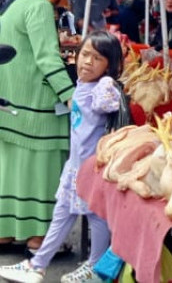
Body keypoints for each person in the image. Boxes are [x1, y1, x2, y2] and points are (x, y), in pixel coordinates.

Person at [0, 31, 122, 283]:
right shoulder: (82, 85)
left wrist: (109, 84)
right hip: (75, 166)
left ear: (109, 65)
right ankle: (38, 265)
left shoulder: (100, 88)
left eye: (97, 58)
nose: (87, 61)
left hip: (91, 168)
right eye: (85, 54)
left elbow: (109, 103)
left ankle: (96, 268)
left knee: (95, 216)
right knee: (62, 213)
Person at [0, 0, 75, 254]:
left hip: (7, 102)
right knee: (44, 166)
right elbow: (47, 59)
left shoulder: (6, 0)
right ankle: (38, 236)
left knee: (10, 167)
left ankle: (5, 231)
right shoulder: (37, 4)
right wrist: (73, 97)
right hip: (37, 106)